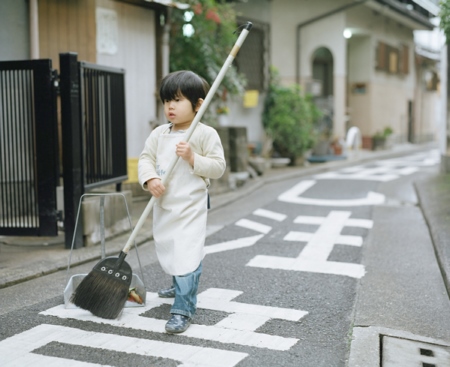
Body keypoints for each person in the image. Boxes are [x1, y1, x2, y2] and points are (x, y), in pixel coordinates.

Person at [138, 70, 226, 333]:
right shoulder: (158, 134)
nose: (170, 106)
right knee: (169, 247)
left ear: (199, 104)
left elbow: (218, 167)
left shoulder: (204, 134)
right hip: (165, 204)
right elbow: (146, 158)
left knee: (187, 251)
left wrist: (192, 158)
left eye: (177, 100)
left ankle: (183, 308)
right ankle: (178, 284)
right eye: (167, 101)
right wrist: (150, 178)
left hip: (191, 206)